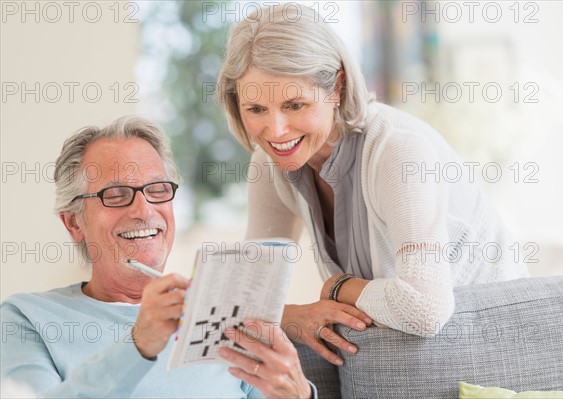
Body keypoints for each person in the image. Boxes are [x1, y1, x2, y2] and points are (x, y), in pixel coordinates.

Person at [216, 4, 529, 366]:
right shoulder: (269, 163)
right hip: (404, 351)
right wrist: (289, 316)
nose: (276, 130)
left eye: (295, 104)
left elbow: (425, 309)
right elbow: (250, 292)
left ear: (337, 86)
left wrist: (337, 288)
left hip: (494, 343)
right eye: (256, 110)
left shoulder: (397, 151)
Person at [0, 116, 315, 398]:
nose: (144, 210)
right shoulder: (25, 317)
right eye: (116, 194)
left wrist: (298, 393)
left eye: (158, 189)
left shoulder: (224, 313)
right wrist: (138, 345)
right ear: (73, 222)